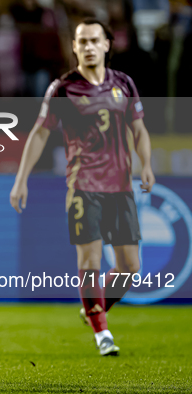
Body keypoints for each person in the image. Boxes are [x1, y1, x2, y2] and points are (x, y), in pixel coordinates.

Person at [10, 18, 155, 356]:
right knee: (89, 259)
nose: (88, 47)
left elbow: (139, 128)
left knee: (131, 267)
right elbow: (40, 133)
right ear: (74, 47)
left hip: (120, 187)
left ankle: (95, 307)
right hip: (83, 186)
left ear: (107, 44)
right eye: (82, 42)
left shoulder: (124, 84)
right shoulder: (63, 88)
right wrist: (22, 178)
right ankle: (102, 334)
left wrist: (146, 164)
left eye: (94, 40)